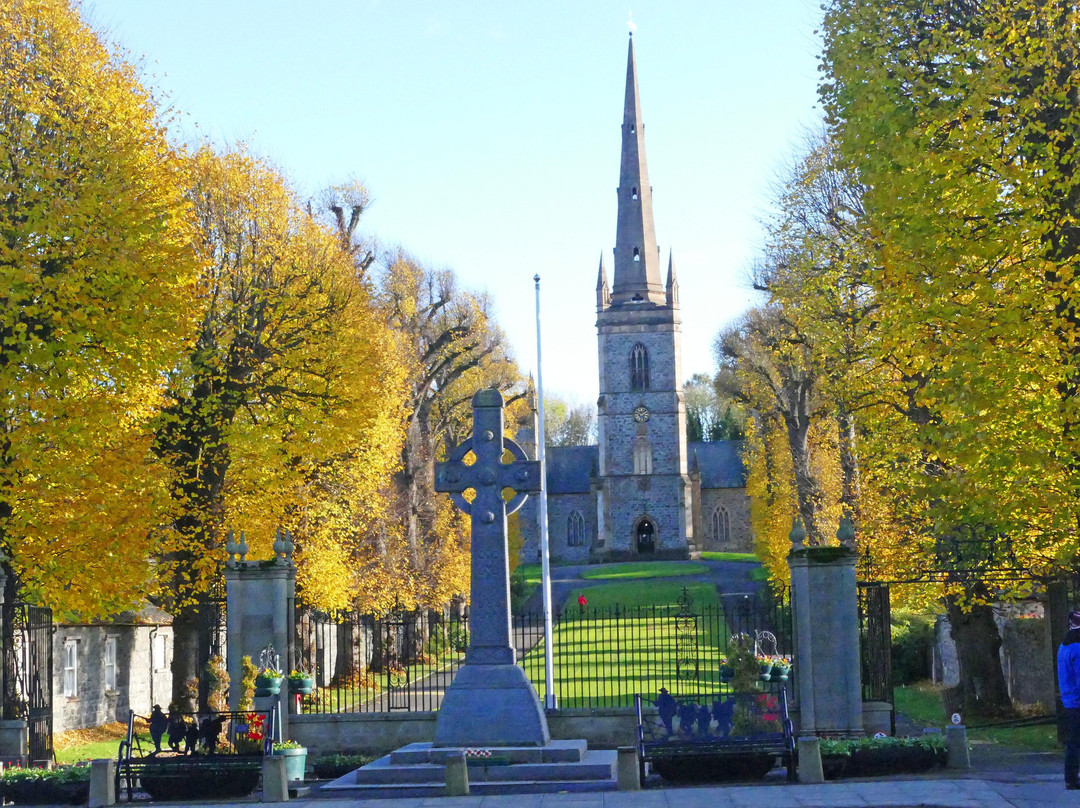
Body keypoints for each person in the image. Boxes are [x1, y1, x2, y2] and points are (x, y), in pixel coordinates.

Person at [1059, 610, 1080, 790]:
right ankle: (1073, 778)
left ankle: (1070, 778)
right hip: (1078, 700)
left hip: (1069, 699)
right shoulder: (1079, 649)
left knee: (1073, 740)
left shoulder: (1064, 646)